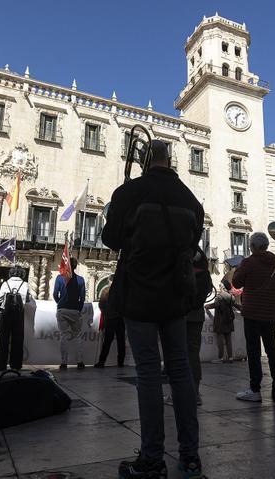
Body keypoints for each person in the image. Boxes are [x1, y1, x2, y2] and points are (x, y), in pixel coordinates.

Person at [102, 139, 204, 478]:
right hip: (176, 296)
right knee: (180, 372)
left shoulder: (129, 192)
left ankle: (151, 459)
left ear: (144, 159)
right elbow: (191, 244)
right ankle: (190, 457)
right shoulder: (191, 198)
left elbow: (112, 240)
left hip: (140, 292)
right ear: (169, 160)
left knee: (148, 372)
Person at [231, 232, 275, 403]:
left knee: (254, 351)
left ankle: (255, 390)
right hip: (271, 314)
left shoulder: (248, 262)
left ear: (253, 246)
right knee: (272, 350)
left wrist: (238, 268)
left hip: (252, 313)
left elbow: (237, 282)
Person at [167, 250, 213, 406]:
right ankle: (195, 392)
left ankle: (175, 394)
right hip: (196, 316)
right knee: (193, 354)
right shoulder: (205, 275)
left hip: (178, 315)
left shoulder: (182, 273)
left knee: (175, 355)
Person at [0, 266, 33, 371]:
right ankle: (16, 364)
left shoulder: (5, 284)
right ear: (22, 274)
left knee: (3, 338)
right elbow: (28, 300)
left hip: (6, 313)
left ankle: (0, 365)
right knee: (18, 339)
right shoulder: (25, 284)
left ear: (11, 273)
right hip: (19, 314)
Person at [53, 257, 87, 370]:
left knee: (63, 336)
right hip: (75, 311)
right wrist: (78, 309)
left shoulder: (59, 278)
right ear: (76, 266)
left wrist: (60, 303)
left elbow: (55, 294)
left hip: (62, 310)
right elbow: (82, 298)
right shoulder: (81, 280)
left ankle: (64, 363)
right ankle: (80, 361)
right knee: (77, 336)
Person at [207, 280, 237, 363]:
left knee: (220, 339)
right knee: (228, 340)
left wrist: (206, 306)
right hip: (229, 321)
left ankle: (220, 358)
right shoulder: (231, 297)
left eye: (220, 285)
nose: (219, 286)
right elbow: (236, 305)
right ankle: (230, 357)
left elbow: (215, 305)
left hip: (220, 321)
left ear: (223, 287)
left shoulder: (219, 297)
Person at [95, 286, 125, 368]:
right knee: (121, 341)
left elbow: (101, 304)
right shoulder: (122, 290)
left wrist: (106, 313)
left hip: (110, 318)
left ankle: (101, 362)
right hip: (120, 319)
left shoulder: (106, 290)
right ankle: (121, 362)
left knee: (107, 341)